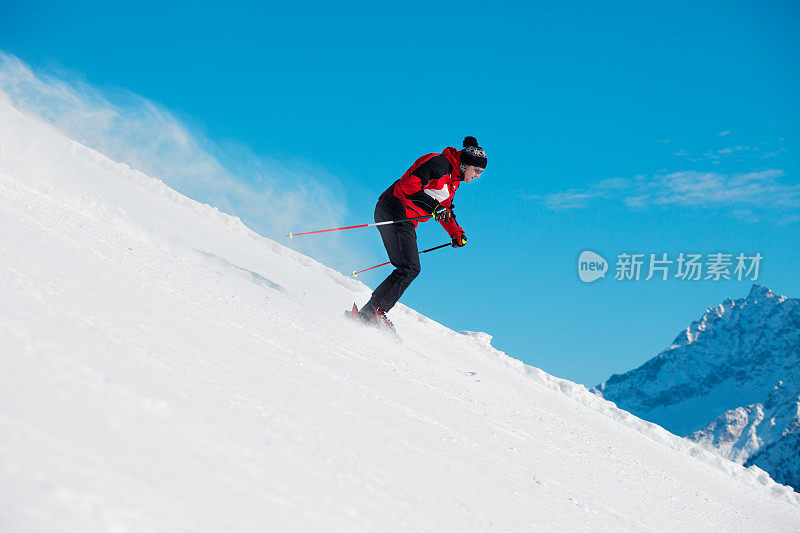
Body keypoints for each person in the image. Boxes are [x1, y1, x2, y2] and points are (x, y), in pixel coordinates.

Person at [358, 136, 487, 331]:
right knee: (409, 267)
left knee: (408, 267)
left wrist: (455, 233)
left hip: (406, 221)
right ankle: (373, 312)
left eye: (481, 173)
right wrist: (434, 207)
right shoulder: (438, 163)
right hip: (394, 212)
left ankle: (370, 311)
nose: (477, 175)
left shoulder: (453, 180)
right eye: (477, 170)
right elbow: (408, 186)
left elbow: (444, 209)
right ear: (466, 164)